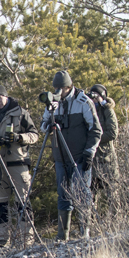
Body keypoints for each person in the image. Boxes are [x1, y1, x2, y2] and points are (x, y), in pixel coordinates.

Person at [41, 71, 102, 240]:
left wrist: (89, 152)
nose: (58, 91)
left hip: (79, 156)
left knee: (82, 194)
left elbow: (96, 130)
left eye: (61, 88)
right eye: (56, 88)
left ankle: (85, 233)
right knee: (63, 195)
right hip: (61, 156)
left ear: (69, 87)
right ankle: (63, 236)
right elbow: (43, 126)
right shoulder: (54, 103)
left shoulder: (83, 102)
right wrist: (51, 118)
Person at [0, 85, 39, 247]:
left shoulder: (20, 113)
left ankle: (26, 239)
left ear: (6, 97)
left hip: (18, 162)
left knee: (22, 201)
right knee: (0, 202)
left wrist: (18, 138)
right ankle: (3, 239)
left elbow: (35, 135)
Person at [88, 84, 119, 205]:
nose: (94, 100)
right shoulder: (89, 111)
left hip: (106, 159)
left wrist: (95, 138)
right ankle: (91, 222)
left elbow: (112, 133)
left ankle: (116, 221)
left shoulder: (108, 110)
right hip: (92, 159)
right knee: (90, 196)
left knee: (112, 194)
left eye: (96, 97)